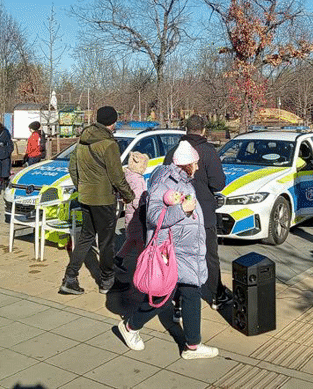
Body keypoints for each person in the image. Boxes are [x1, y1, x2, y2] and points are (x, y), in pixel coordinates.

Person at [118, 140, 218, 360]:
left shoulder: (182, 180)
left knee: (191, 292)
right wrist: (182, 209)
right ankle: (130, 326)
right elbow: (154, 217)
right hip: (171, 251)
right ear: (186, 164)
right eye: (196, 163)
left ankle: (192, 345)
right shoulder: (166, 182)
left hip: (184, 250)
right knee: (163, 295)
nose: (198, 167)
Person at [59, 106, 134, 295]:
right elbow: (117, 177)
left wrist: (81, 186)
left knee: (85, 237)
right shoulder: (109, 145)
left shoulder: (82, 141)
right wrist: (129, 195)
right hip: (104, 199)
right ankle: (108, 281)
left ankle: (70, 277)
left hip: (86, 197)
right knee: (106, 241)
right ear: (112, 122)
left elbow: (72, 169)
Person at [163, 115, 229, 311]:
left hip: (178, 213)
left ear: (186, 129)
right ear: (203, 130)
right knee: (209, 255)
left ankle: (178, 304)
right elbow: (218, 183)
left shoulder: (172, 152)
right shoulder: (208, 152)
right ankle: (216, 295)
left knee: (179, 257)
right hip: (203, 213)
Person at [114, 151, 149, 274]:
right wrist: (144, 210)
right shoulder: (138, 180)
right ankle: (143, 266)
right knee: (140, 241)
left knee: (131, 239)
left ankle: (118, 258)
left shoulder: (127, 175)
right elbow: (138, 200)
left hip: (129, 213)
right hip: (136, 215)